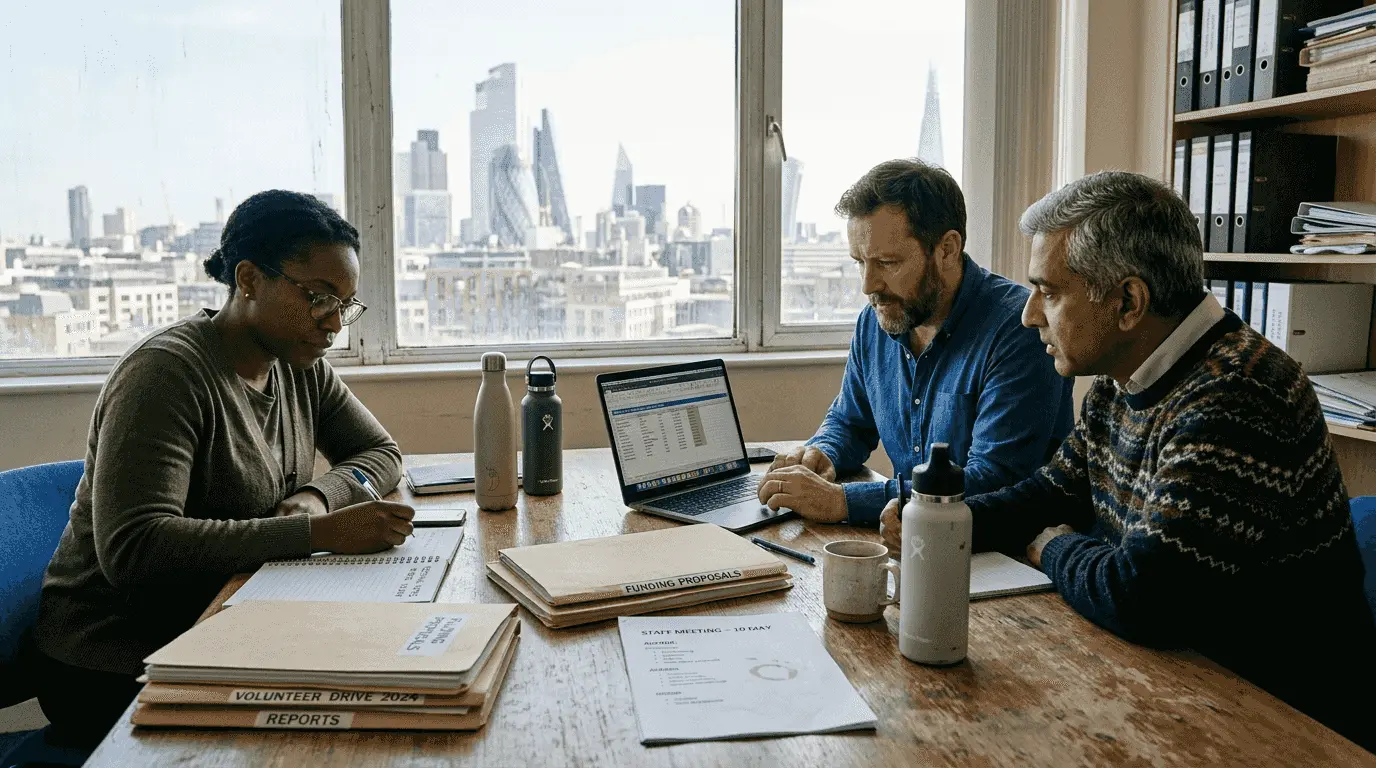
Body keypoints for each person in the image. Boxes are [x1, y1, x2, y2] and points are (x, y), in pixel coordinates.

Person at [880, 171, 1375, 750]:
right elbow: (1052, 492)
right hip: (1181, 680)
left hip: (1283, 722)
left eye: (1051, 292)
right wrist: (940, 521)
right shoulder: (1125, 377)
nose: (1029, 315)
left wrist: (1052, 546)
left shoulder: (1236, 396)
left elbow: (1144, 598)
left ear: (1129, 303)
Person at [30, 190, 415, 749]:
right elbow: (135, 548)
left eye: (345, 305)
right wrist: (311, 534)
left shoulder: (298, 361)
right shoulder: (166, 375)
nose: (334, 324)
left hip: (223, 621)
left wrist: (320, 496)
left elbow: (381, 455)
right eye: (318, 298)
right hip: (113, 660)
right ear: (250, 279)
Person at [759, 159, 1074, 524]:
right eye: (859, 262)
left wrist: (841, 502)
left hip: (1007, 552)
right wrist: (822, 453)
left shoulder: (1020, 328)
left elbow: (994, 482)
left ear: (947, 249)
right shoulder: (877, 320)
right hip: (912, 541)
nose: (868, 286)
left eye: (887, 263)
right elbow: (849, 422)